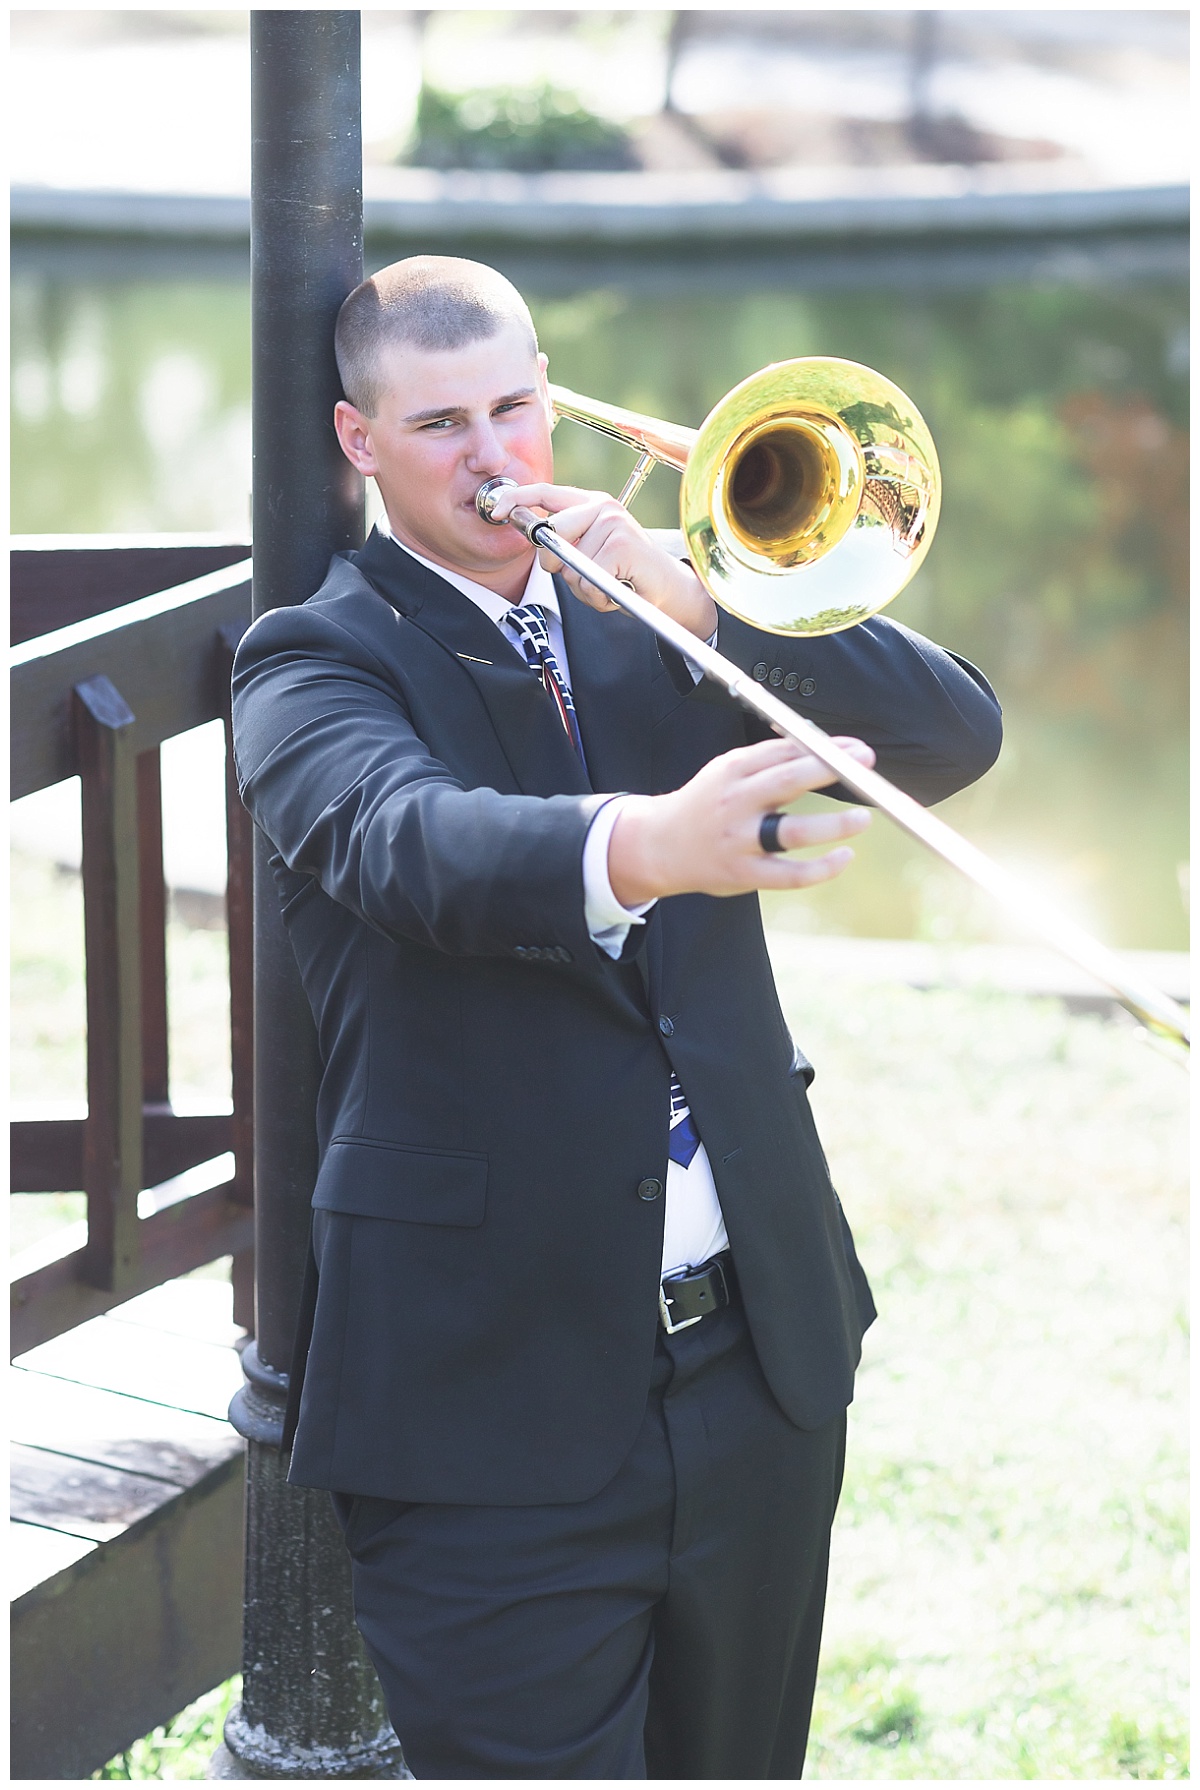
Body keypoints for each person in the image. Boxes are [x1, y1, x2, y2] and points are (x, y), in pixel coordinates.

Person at [231, 255, 1002, 1780]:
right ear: (358, 440)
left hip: (758, 1366)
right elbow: (408, 841)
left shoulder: (664, 617)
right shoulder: (314, 656)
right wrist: (650, 845)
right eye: (441, 422)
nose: (496, 456)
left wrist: (701, 591)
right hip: (487, 1413)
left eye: (518, 407)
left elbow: (948, 735)